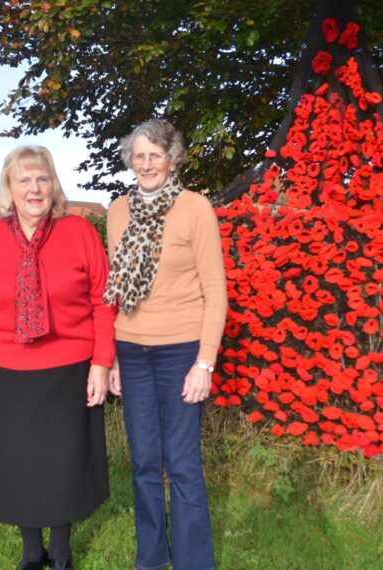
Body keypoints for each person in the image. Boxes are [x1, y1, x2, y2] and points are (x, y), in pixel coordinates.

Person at [0, 145, 115, 570]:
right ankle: (32, 552)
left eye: (42, 179)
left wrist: (101, 363)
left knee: (65, 461)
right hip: (6, 370)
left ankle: (63, 552)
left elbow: (104, 301)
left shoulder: (80, 232)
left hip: (69, 367)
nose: (34, 188)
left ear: (53, 185)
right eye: (24, 180)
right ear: (9, 189)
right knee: (20, 463)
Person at [105, 119, 228, 570]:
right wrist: (113, 358)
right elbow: (115, 290)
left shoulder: (196, 208)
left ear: (173, 159)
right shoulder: (117, 210)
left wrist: (205, 362)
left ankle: (195, 562)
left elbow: (215, 289)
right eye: (139, 155)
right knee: (142, 462)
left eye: (155, 154)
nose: (147, 163)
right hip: (131, 350)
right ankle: (152, 559)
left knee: (181, 463)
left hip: (181, 349)